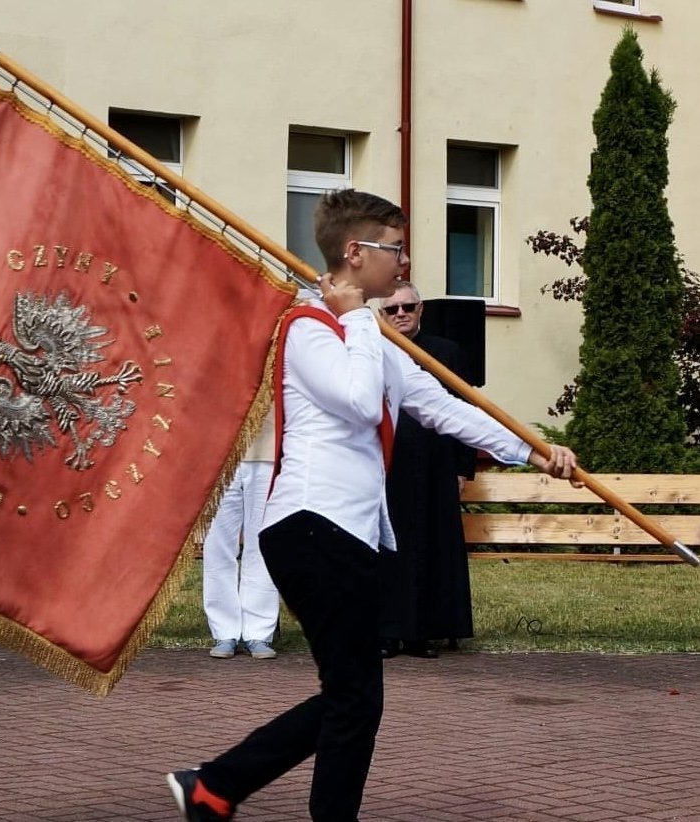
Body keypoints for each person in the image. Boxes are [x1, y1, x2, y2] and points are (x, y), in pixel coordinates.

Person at [166, 188, 579, 821]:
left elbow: (441, 407)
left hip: (343, 534)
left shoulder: (372, 341)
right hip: (309, 527)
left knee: (351, 696)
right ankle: (227, 788)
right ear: (356, 253)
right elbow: (359, 402)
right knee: (356, 697)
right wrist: (357, 318)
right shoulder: (307, 329)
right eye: (395, 249)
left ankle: (215, 786)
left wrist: (533, 450)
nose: (404, 263)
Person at [377, 282, 477, 659]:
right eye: (392, 309)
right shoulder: (373, 352)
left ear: (421, 311)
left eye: (408, 307)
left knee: (431, 546)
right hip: (385, 467)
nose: (400, 314)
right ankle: (386, 631)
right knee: (386, 548)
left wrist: (463, 468)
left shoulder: (447, 354)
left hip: (436, 468)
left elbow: (468, 411)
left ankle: (424, 632)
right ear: (381, 315)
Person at [202, 412, 280, 660]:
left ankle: (259, 631)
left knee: (264, 543)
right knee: (217, 543)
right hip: (219, 448)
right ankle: (224, 631)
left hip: (268, 447)